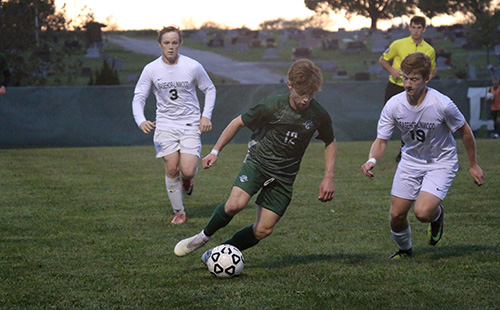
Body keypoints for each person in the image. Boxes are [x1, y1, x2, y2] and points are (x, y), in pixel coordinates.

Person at [174, 59, 337, 262]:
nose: (305, 100)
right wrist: (215, 151)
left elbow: (330, 142)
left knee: (263, 230)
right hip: (258, 163)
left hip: (284, 177)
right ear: (290, 85)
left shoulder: (319, 114)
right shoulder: (272, 105)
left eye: (310, 95)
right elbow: (237, 123)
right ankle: (202, 237)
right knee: (235, 205)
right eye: (301, 93)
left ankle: (219, 253)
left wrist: (328, 177)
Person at [361, 52, 484, 259]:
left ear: (427, 79)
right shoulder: (394, 104)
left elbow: (465, 131)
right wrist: (372, 160)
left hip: (441, 162)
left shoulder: (442, 104)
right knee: (397, 215)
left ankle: (437, 215)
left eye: (414, 79)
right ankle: (405, 251)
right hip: (410, 161)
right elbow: (382, 140)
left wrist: (473, 165)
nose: (408, 84)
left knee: (423, 213)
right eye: (405, 78)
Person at [132, 25, 216, 224]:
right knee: (172, 168)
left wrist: (206, 116)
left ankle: (188, 181)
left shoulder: (192, 66)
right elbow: (138, 98)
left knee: (187, 170)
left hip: (189, 124)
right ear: (160, 44)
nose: (171, 47)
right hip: (165, 125)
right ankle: (179, 212)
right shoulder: (151, 69)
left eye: (174, 43)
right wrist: (141, 120)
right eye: (167, 43)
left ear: (180, 44)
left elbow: (210, 89)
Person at [379, 16, 437, 104]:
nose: (416, 31)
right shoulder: (398, 44)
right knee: (390, 116)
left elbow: (432, 68)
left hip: (416, 89)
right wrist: (392, 70)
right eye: (413, 27)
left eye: (419, 28)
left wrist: (429, 76)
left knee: (414, 116)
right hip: (396, 86)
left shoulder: (429, 50)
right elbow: (382, 60)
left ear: (424, 29)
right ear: (410, 28)